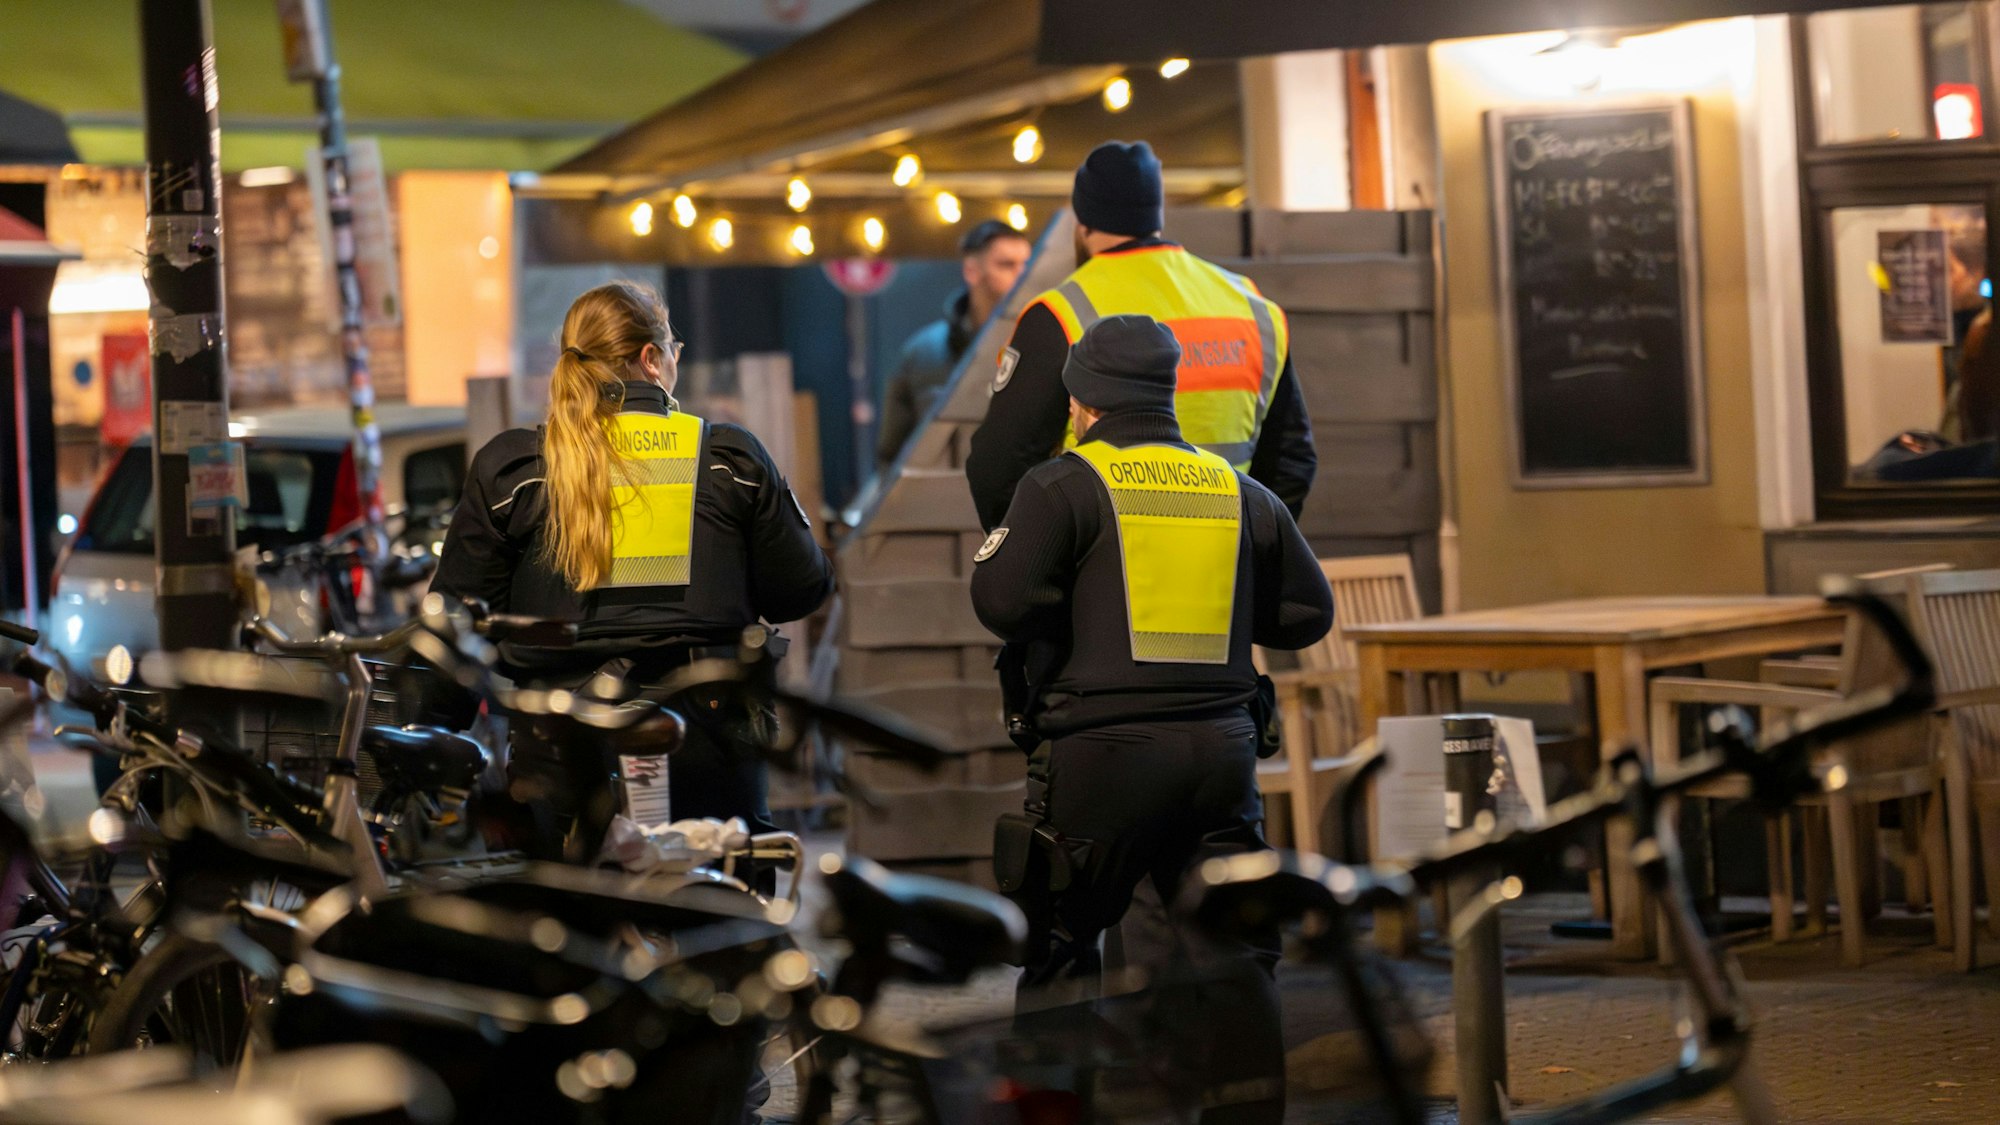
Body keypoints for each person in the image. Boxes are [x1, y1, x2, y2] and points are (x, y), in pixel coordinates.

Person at [970, 316, 1333, 1120]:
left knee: (1062, 953)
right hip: (1222, 758)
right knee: (1236, 959)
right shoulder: (1239, 489)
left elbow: (1001, 599)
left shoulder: (1064, 482)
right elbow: (1306, 612)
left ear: (1084, 402)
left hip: (1100, 762)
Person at [432, 281, 834, 862]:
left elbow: (454, 624)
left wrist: (426, 743)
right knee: (727, 929)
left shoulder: (513, 470)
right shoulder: (728, 460)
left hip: (561, 738)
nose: (677, 358)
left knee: (569, 934)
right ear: (652, 358)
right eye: (675, 347)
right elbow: (802, 588)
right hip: (708, 734)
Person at [965, 140, 1317, 533]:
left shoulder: (1060, 315)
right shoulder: (1251, 307)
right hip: (1228, 575)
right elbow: (1291, 461)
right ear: (1156, 216)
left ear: (1082, 224)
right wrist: (1253, 554)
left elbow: (996, 468)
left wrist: (1040, 569)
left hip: (1108, 582)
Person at [876, 219, 1032, 467]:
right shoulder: (922, 354)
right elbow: (891, 453)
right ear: (972, 271)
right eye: (1006, 265)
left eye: (1026, 264)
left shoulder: (1039, 346)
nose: (1022, 275)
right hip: (942, 498)